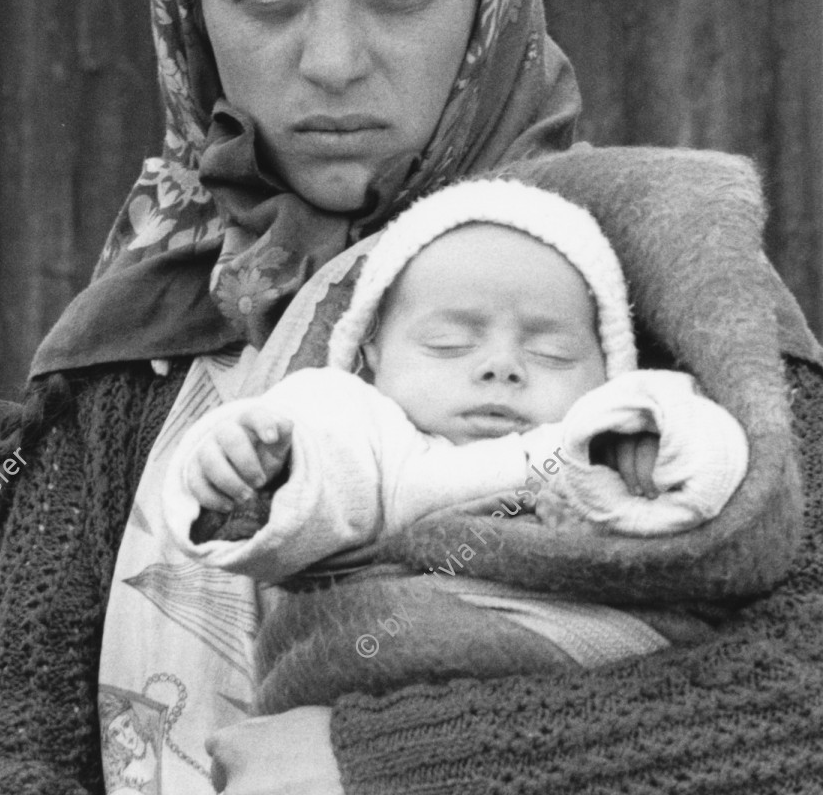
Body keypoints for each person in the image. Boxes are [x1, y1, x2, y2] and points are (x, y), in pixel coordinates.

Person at [0, 0, 823, 795]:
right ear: (186, 7)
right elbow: (10, 737)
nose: (333, 61)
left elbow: (800, 683)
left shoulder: (631, 284)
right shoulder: (157, 321)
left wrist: (374, 761)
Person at [163, 178, 757, 713]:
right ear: (371, 351)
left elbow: (712, 454)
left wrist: (652, 451)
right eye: (450, 342)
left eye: (552, 352)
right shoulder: (372, 432)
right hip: (395, 648)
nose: (502, 367)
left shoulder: (601, 427)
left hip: (596, 659)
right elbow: (321, 469)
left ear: (607, 365)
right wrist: (259, 470)